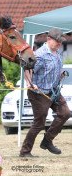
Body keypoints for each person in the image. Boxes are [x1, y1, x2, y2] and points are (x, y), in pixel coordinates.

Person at [20, 28, 70, 157]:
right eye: (57, 41)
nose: (59, 44)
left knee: (65, 113)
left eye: (60, 41)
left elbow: (52, 71)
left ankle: (47, 141)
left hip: (54, 92)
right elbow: (27, 68)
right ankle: (25, 151)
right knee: (39, 123)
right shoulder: (40, 54)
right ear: (48, 39)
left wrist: (61, 75)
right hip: (39, 93)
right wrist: (30, 83)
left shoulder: (58, 54)